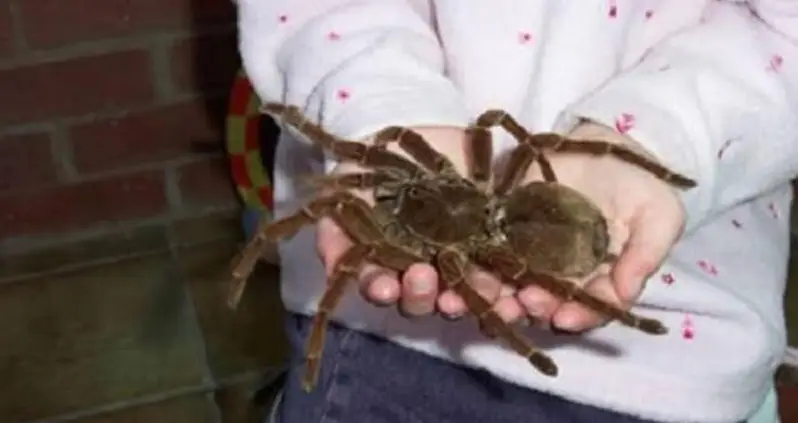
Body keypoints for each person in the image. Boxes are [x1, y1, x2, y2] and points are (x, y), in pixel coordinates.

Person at [236, 1, 797, 422]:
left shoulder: (449, 248)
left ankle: (627, 315)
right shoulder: (462, 186)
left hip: (688, 360)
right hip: (382, 355)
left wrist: (651, 142)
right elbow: (503, 130)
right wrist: (380, 107)